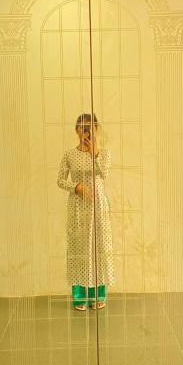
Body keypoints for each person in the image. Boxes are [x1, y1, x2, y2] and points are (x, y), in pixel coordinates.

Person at [57, 113, 115, 310]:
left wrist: (94, 152)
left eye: (90, 128)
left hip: (98, 206)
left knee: (98, 248)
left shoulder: (104, 154)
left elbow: (105, 173)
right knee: (78, 249)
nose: (86, 132)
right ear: (76, 130)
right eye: (83, 128)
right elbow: (60, 180)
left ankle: (98, 294)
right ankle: (79, 295)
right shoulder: (69, 154)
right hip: (77, 208)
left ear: (96, 130)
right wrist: (77, 187)